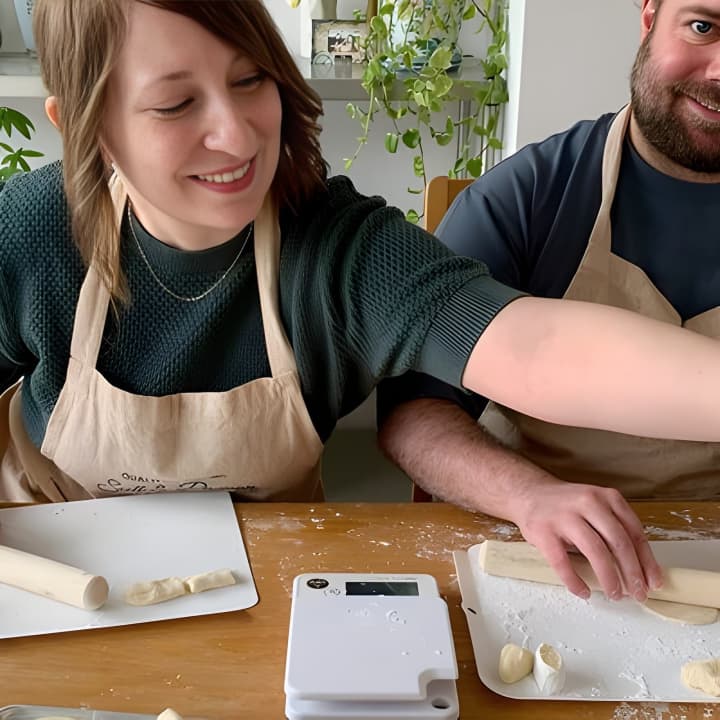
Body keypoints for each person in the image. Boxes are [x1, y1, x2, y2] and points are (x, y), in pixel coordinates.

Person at [2, 0, 720, 581]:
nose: (237, 135)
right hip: (53, 563)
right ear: (86, 125)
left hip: (268, 573)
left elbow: (536, 348)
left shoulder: (339, 246)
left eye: (250, 80)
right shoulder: (30, 232)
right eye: (175, 104)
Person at [378, 0, 720, 604]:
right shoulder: (529, 196)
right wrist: (526, 494)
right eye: (703, 27)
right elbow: (414, 410)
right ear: (648, 17)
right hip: (537, 550)